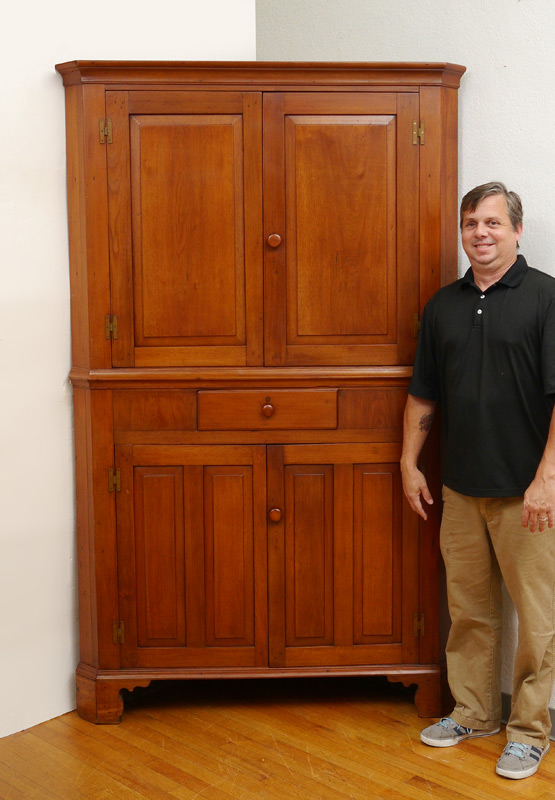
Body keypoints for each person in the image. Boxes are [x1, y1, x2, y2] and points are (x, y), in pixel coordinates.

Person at [401, 181, 555, 780]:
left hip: (527, 492)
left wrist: (547, 480)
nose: (480, 233)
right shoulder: (442, 306)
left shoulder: (546, 298)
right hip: (461, 489)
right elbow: (422, 393)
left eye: (492, 222)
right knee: (469, 610)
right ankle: (474, 712)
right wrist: (409, 463)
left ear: (517, 231)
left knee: (536, 620)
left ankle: (530, 731)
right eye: (470, 223)